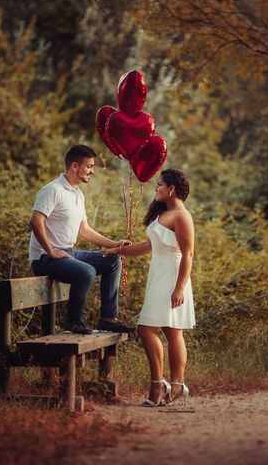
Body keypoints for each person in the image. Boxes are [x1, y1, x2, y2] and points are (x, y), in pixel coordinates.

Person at [104, 168, 195, 407]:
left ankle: (169, 384)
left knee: (154, 329)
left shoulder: (182, 216)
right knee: (165, 330)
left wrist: (179, 288)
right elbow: (147, 245)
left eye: (160, 185)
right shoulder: (163, 213)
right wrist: (117, 250)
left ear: (172, 188)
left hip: (174, 277)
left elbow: (188, 254)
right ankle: (167, 385)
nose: (157, 189)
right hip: (159, 277)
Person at [28, 144, 135, 334]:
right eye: (89, 166)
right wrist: (51, 251)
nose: (92, 171)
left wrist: (114, 244)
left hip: (68, 253)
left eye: (92, 167)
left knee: (112, 261)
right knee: (87, 271)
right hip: (44, 258)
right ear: (75, 166)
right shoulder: (53, 190)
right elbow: (36, 221)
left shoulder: (78, 194)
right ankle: (73, 321)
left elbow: (84, 229)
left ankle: (108, 318)